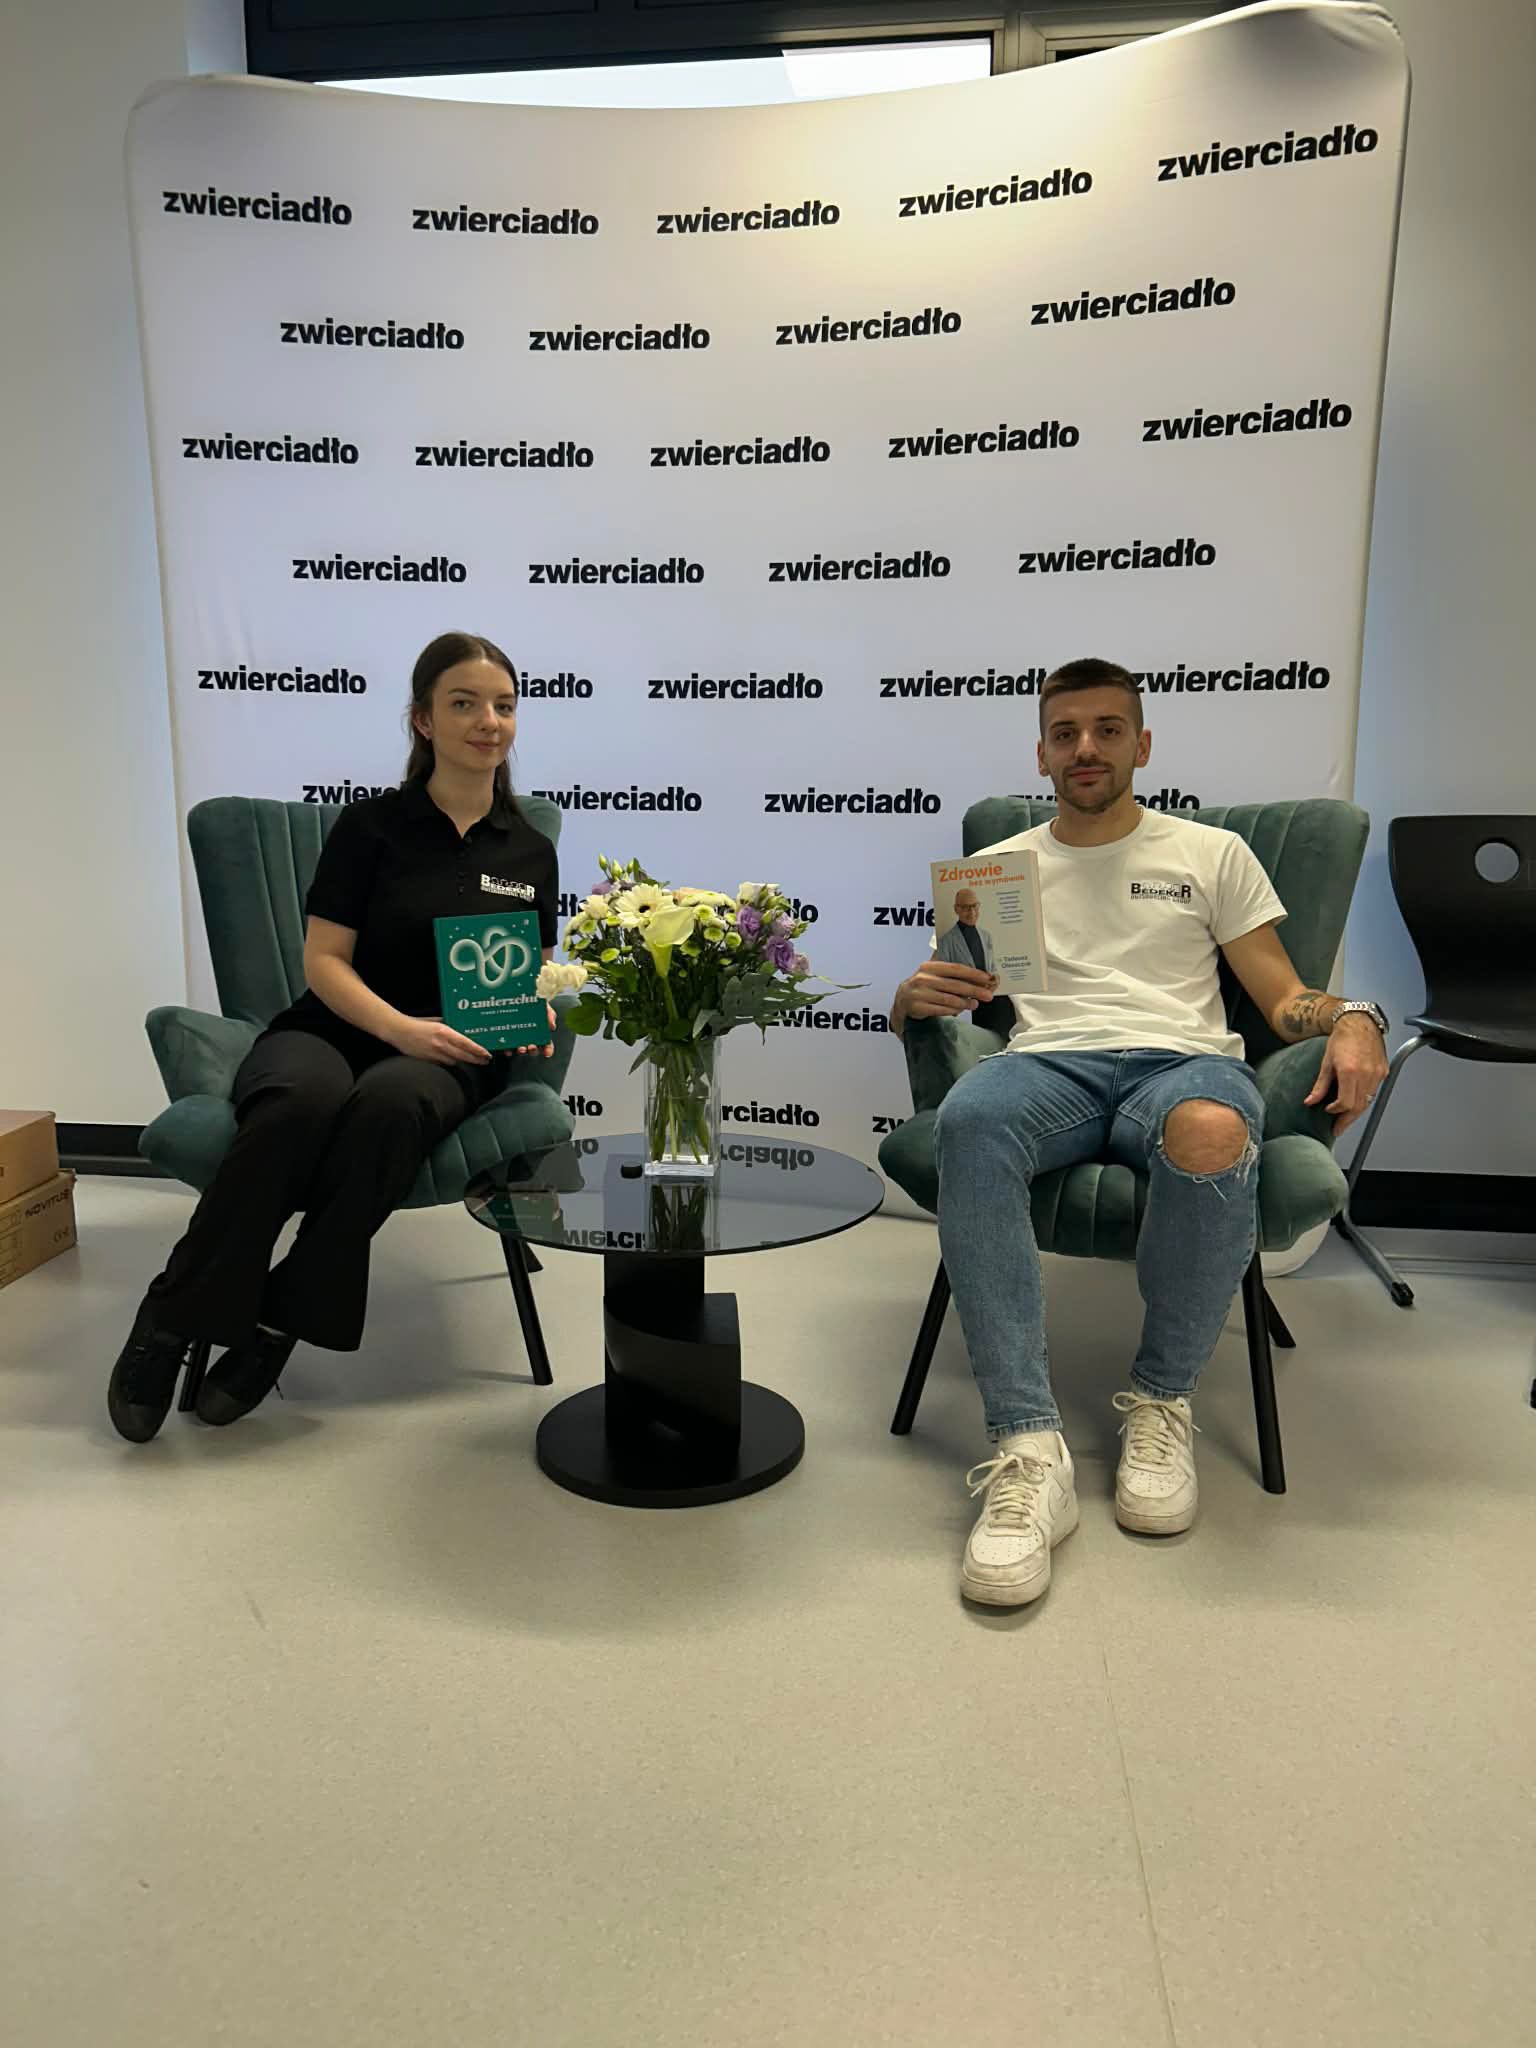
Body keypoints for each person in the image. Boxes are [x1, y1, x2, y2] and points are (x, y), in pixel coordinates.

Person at [889, 658, 1389, 1607]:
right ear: (1042, 754)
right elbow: (955, 997)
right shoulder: (998, 872)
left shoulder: (1209, 854)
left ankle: (1162, 1403)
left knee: (1209, 1127)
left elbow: (1285, 1000)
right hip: (1050, 1063)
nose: (1086, 748)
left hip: (1183, 1062)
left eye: (1108, 730)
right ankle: (1027, 1446)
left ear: (1142, 746)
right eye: (1065, 733)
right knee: (971, 1119)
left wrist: (1356, 1015)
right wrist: (911, 997)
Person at [107, 631, 561, 1444]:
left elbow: (531, 965)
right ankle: (171, 1317)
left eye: (503, 705)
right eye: (463, 703)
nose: (488, 722)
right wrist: (399, 1028)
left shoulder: (528, 847)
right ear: (423, 719)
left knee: (390, 1108)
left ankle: (278, 1321)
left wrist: (539, 1003)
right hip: (337, 1027)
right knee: (295, 1102)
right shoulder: (371, 827)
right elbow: (323, 962)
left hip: (454, 1054)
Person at [933, 888, 997, 974]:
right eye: (966, 907)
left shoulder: (987, 936)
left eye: (974, 905)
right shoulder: (944, 943)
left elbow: (992, 968)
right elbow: (943, 976)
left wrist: (995, 977)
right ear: (956, 909)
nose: (972, 912)